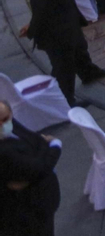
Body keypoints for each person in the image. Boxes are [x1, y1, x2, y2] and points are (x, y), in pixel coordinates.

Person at [0, 97, 63, 236]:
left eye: (4, 119)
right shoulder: (4, 152)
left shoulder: (12, 124)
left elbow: (38, 141)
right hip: (26, 212)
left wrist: (39, 156)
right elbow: (40, 168)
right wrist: (55, 145)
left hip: (43, 201)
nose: (2, 125)